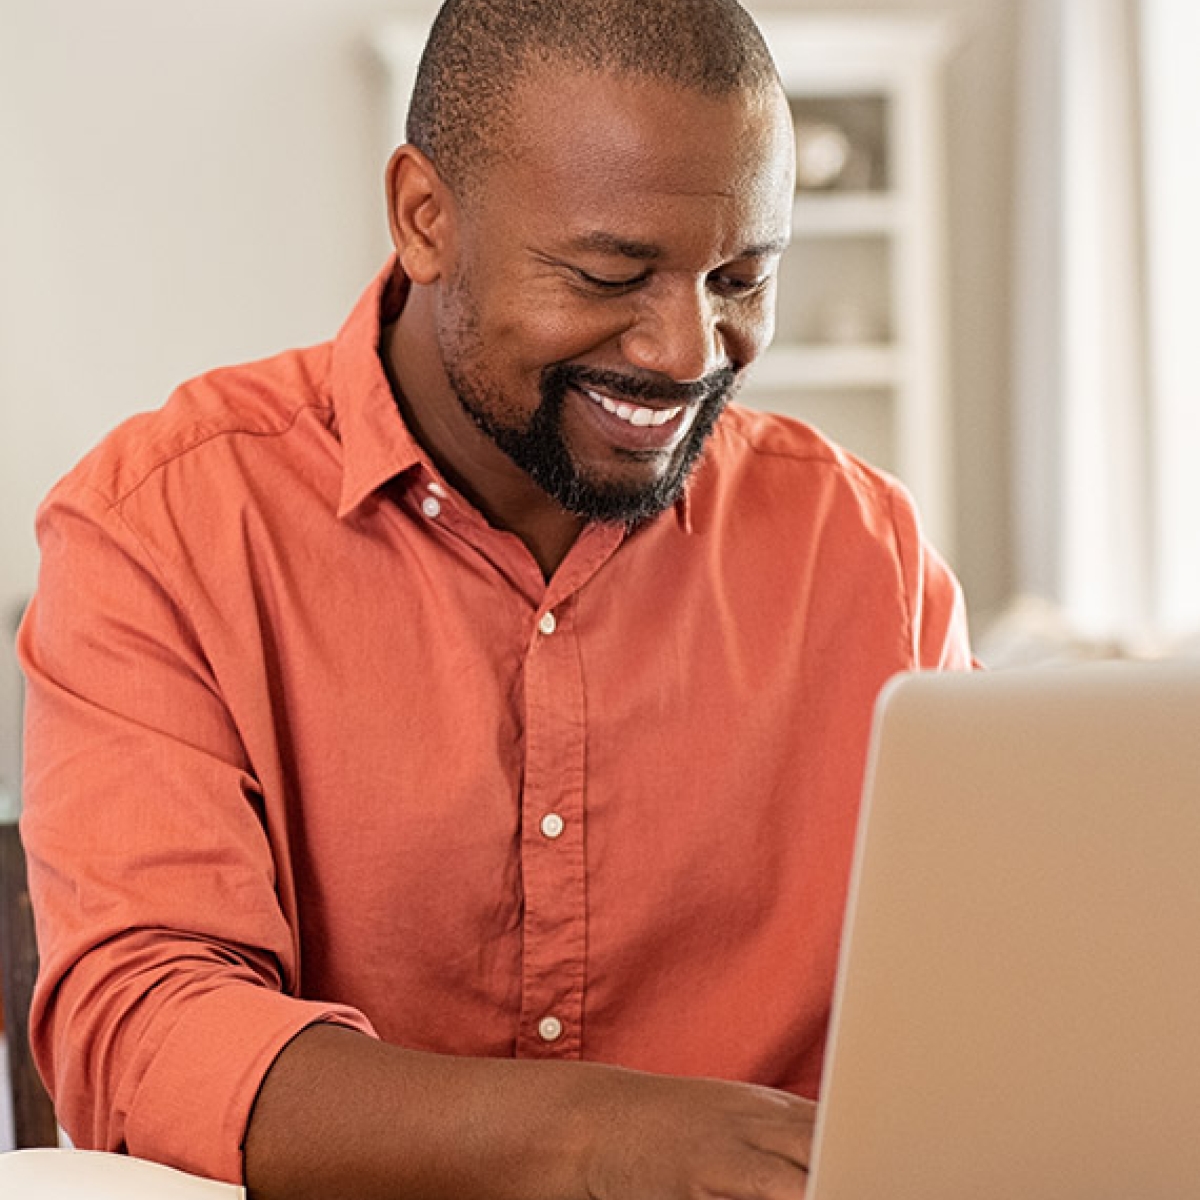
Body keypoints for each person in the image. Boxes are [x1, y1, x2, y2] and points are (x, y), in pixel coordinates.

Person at [17, 0, 973, 1196]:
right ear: (425, 218)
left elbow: (985, 997)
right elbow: (141, 1037)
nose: (687, 351)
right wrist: (599, 1137)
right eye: (609, 273)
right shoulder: (160, 526)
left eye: (741, 277)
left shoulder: (865, 554)